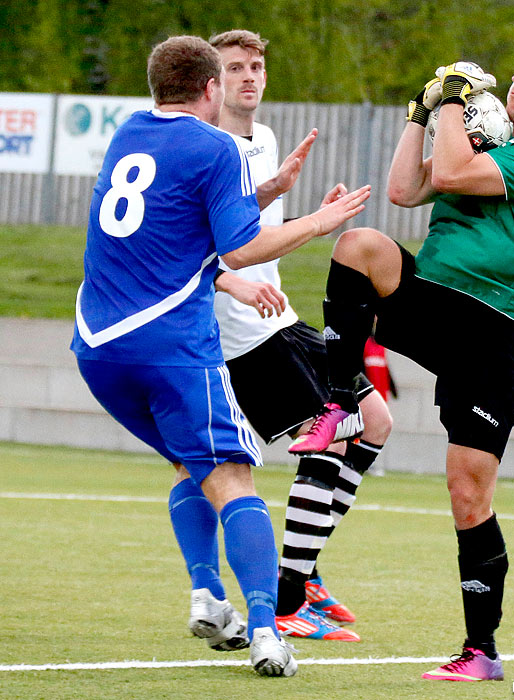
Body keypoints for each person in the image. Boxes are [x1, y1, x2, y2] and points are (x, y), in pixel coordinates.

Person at [291, 32, 514, 681]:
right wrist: (420, 112)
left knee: (468, 492)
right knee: (361, 245)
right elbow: (406, 189)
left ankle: (480, 651)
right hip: (441, 304)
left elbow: (455, 173)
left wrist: (454, 103)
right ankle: (340, 401)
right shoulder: (492, 140)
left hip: (496, 331)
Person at [70, 35, 370, 677]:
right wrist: (322, 221)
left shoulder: (129, 132)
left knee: (191, 465)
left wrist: (265, 193)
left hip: (97, 349)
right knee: (234, 477)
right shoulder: (219, 146)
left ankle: (209, 597)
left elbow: (185, 221)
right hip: (171, 346)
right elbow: (238, 253)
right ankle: (268, 631)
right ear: (212, 88)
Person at [206, 29, 393, 642]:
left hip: (279, 320)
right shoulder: (205, 147)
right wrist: (318, 224)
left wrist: (301, 208)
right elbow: (197, 247)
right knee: (332, 434)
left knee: (375, 419)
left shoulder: (263, 140)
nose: (249, 77)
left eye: (256, 66)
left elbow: (256, 234)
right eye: (235, 68)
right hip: (242, 335)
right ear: (213, 80)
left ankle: (304, 574)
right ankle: (288, 601)